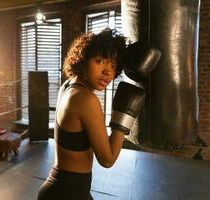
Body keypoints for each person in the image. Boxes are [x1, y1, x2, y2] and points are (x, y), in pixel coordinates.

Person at [37, 28, 160, 200]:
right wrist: (124, 116)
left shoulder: (69, 85)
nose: (108, 71)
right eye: (100, 61)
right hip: (68, 193)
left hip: (61, 187)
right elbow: (107, 159)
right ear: (83, 59)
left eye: (113, 64)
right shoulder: (86, 99)